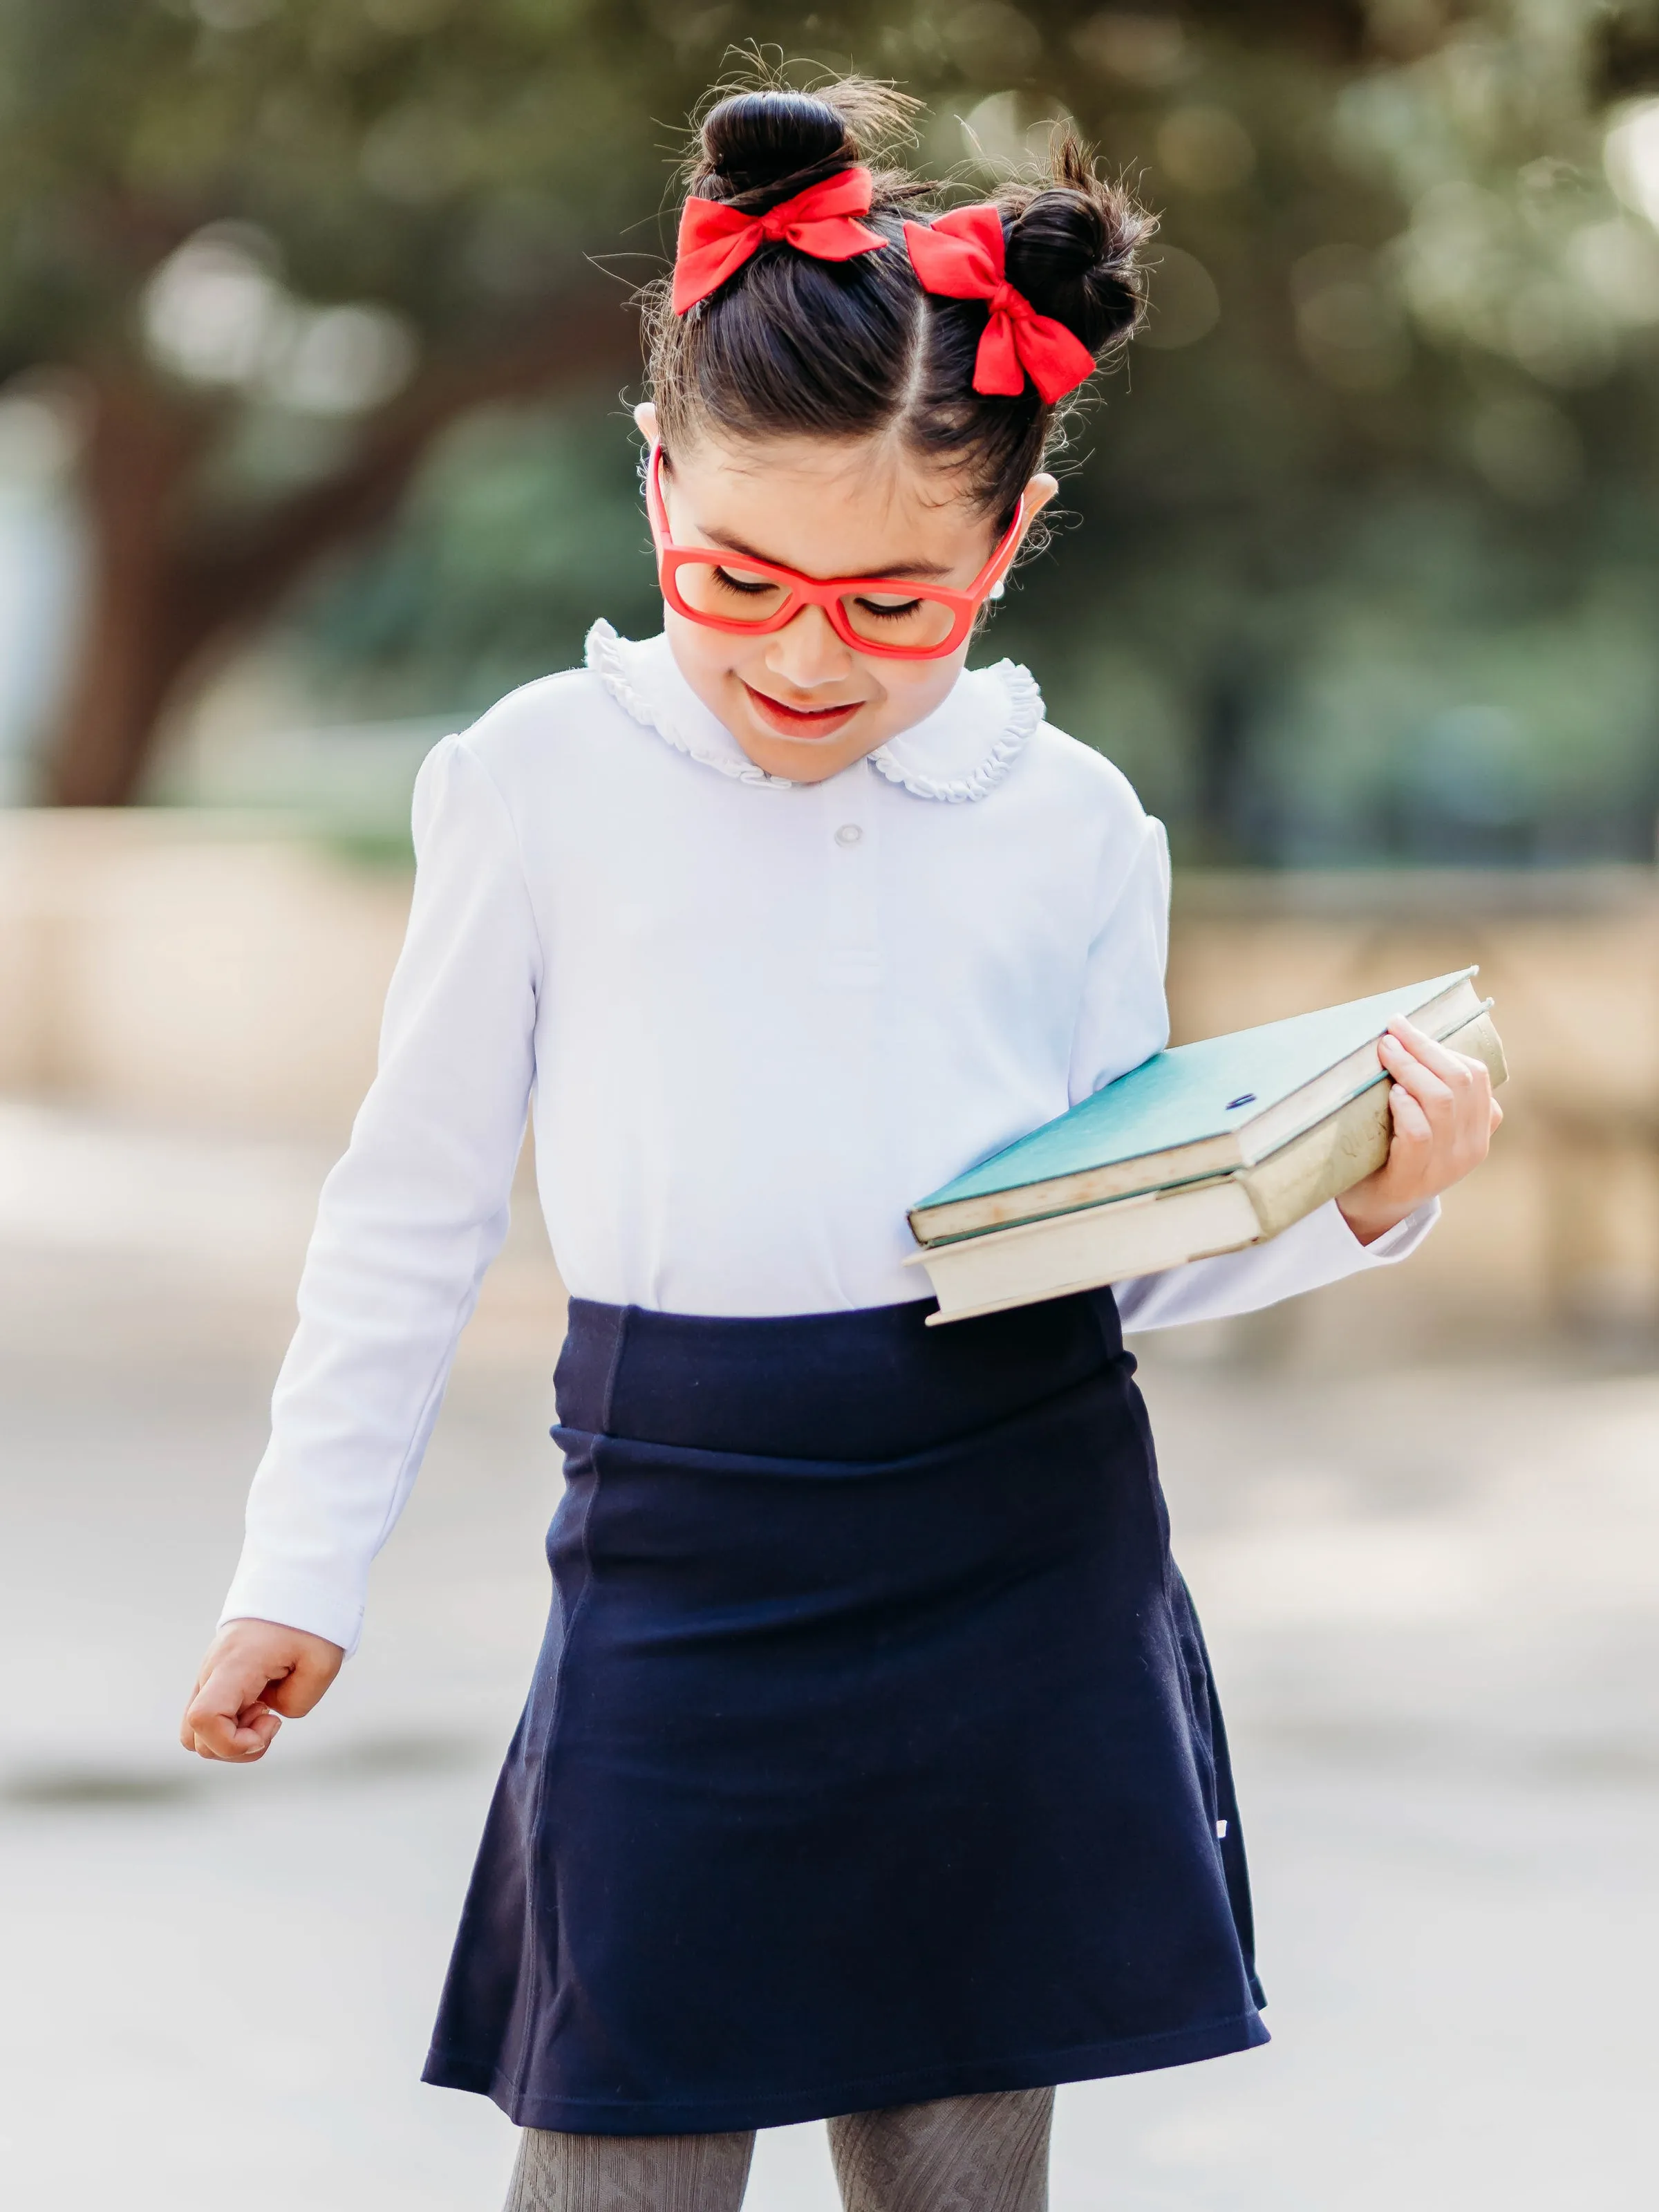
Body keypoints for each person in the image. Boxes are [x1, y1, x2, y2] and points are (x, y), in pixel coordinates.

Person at [180, 75, 1500, 2212]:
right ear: (653, 484)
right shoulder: (540, 780)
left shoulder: (1072, 823)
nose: (806, 652)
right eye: (741, 576)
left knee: (966, 2162)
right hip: (686, 1540)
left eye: (896, 603)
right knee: (625, 2150)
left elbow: (1118, 1242)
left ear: (1007, 535)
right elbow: (410, 1210)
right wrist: (293, 1571)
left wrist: (1363, 1198)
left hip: (1021, 1535)